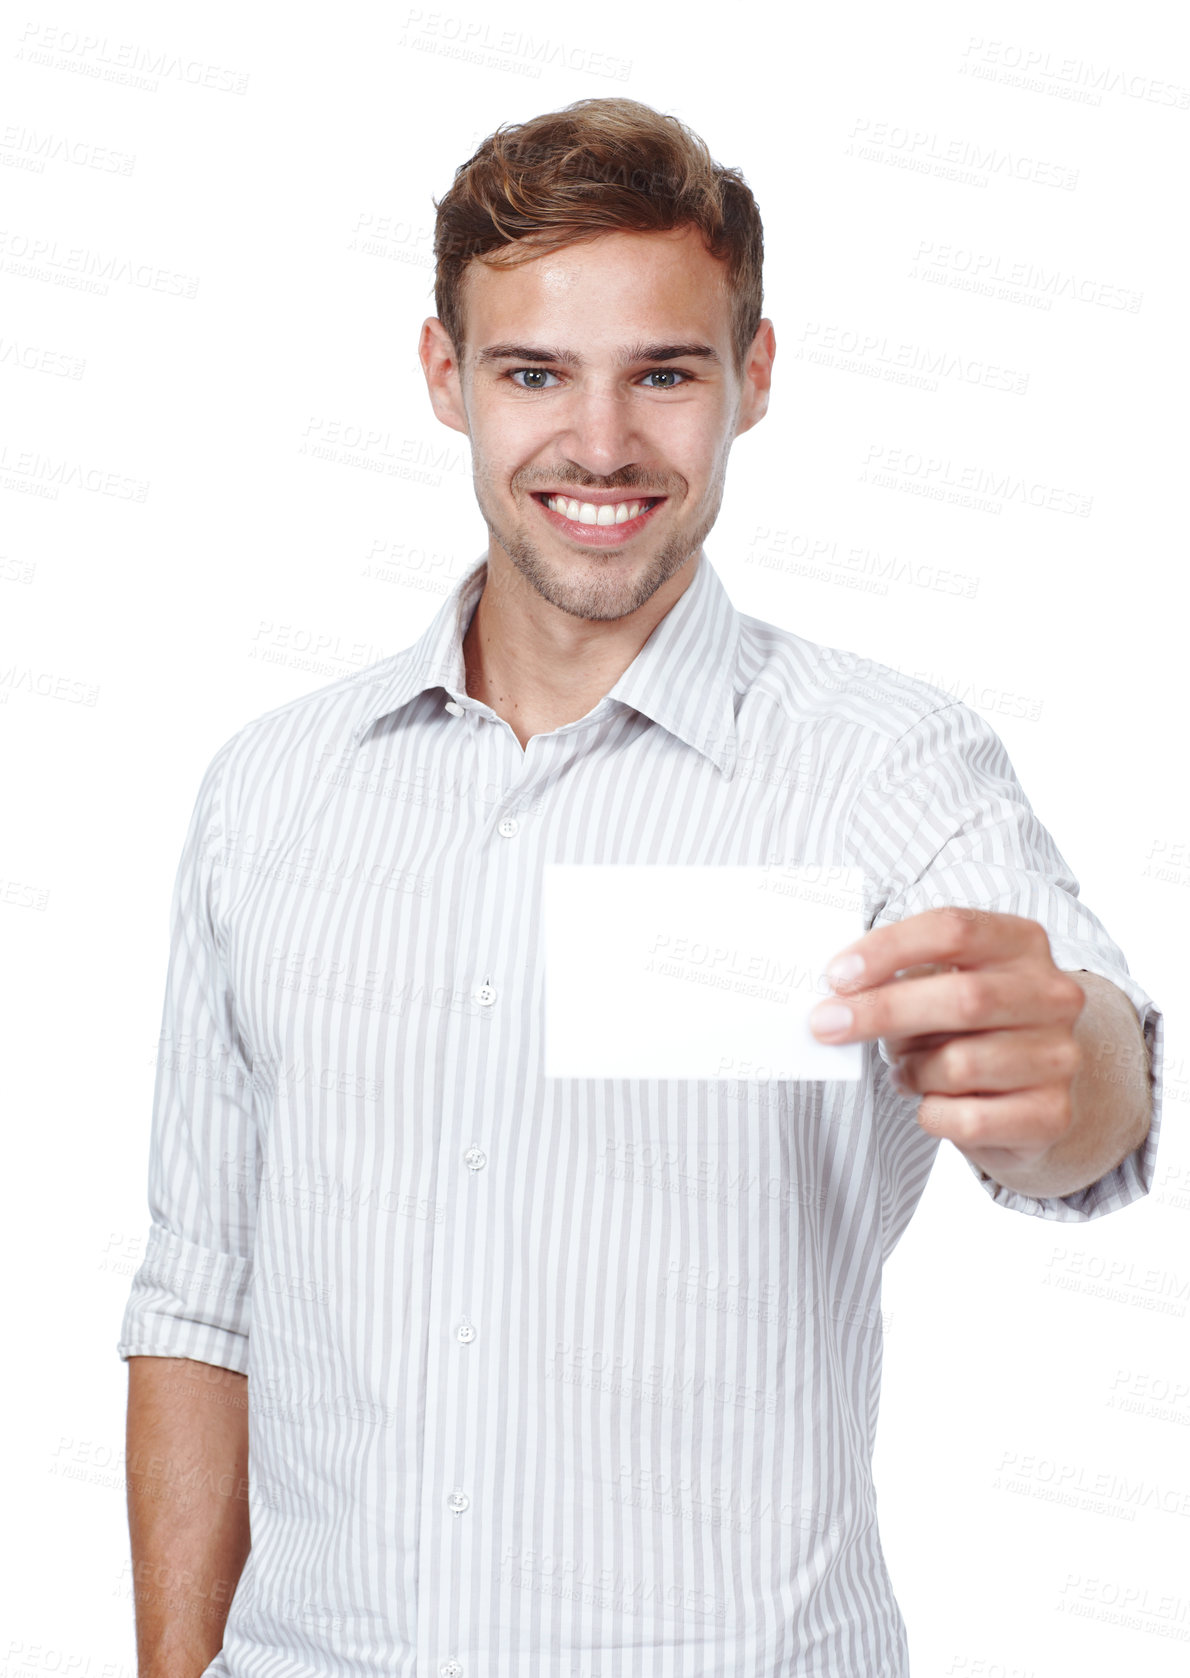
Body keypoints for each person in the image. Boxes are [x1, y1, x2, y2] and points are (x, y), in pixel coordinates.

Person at [118, 97, 1160, 1678]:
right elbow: (202, 1295)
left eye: (661, 373)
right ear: (443, 376)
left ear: (749, 377)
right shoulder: (270, 793)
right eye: (536, 371)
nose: (598, 444)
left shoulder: (886, 768)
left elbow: (1096, 1091)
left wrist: (1063, 1066)